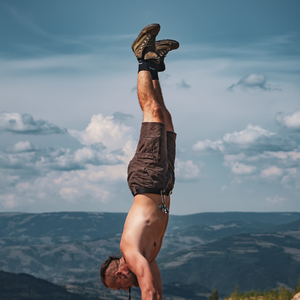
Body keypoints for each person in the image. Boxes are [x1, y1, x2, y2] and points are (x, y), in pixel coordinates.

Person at [100, 23, 179, 300]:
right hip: (163, 182)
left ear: (120, 273)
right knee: (166, 118)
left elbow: (147, 290)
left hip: (147, 177)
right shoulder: (149, 255)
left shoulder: (132, 253)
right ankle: (154, 63)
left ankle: (140, 57)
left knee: (153, 110)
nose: (128, 289)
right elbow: (156, 291)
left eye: (123, 287)